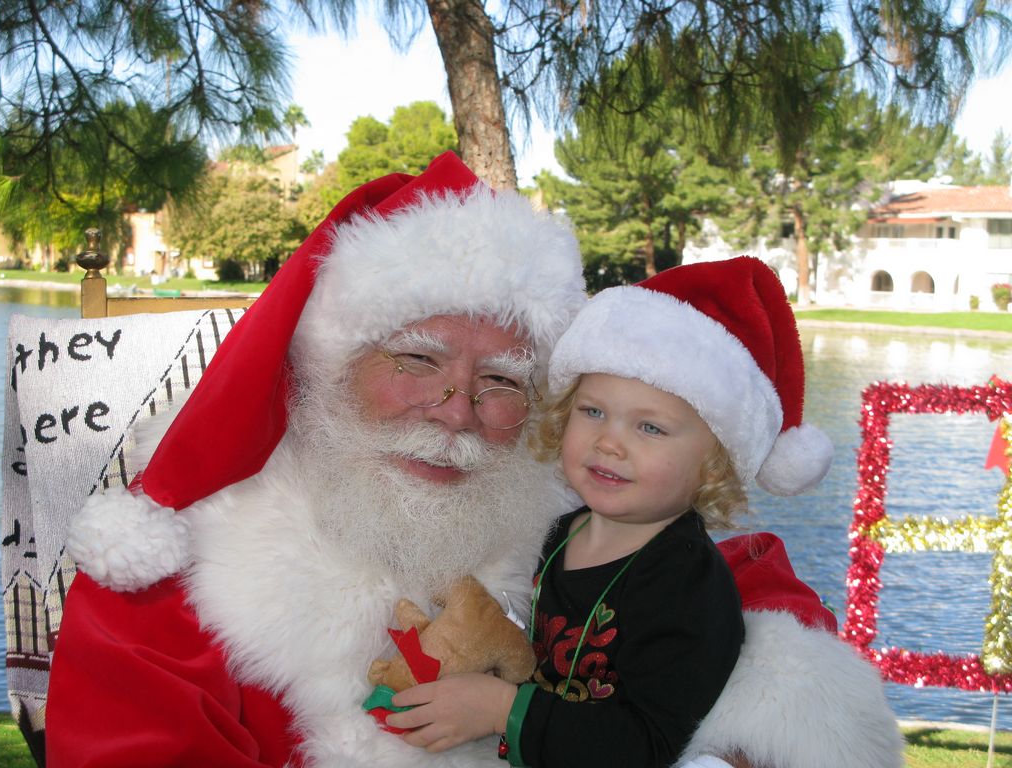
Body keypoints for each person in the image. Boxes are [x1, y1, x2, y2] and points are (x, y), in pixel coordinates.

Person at [45, 152, 903, 768]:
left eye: (501, 380)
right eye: (415, 360)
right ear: (326, 369)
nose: (457, 411)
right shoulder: (170, 581)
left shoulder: (571, 515)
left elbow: (750, 591)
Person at [385, 257, 838, 767]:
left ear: (714, 464)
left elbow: (649, 746)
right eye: (593, 411)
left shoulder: (685, 584)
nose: (608, 443)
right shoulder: (562, 529)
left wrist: (503, 711)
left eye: (650, 428)